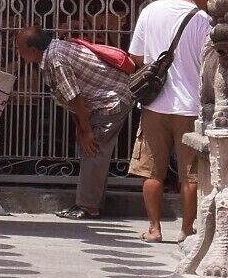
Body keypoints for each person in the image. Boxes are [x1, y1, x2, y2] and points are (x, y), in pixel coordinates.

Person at [126, 0, 214, 242]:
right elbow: (211, 65)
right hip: (190, 107)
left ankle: (154, 228)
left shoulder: (150, 11)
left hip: (154, 107)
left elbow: (137, 57)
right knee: (190, 174)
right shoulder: (204, 21)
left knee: (152, 171)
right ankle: (187, 231)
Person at [14, 25, 140, 219]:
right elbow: (70, 98)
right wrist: (82, 127)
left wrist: (86, 130)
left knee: (93, 149)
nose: (18, 52)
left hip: (110, 101)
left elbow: (75, 97)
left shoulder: (56, 60)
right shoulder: (55, 51)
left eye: (20, 48)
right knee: (92, 151)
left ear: (32, 50)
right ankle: (93, 202)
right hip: (105, 99)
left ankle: (88, 207)